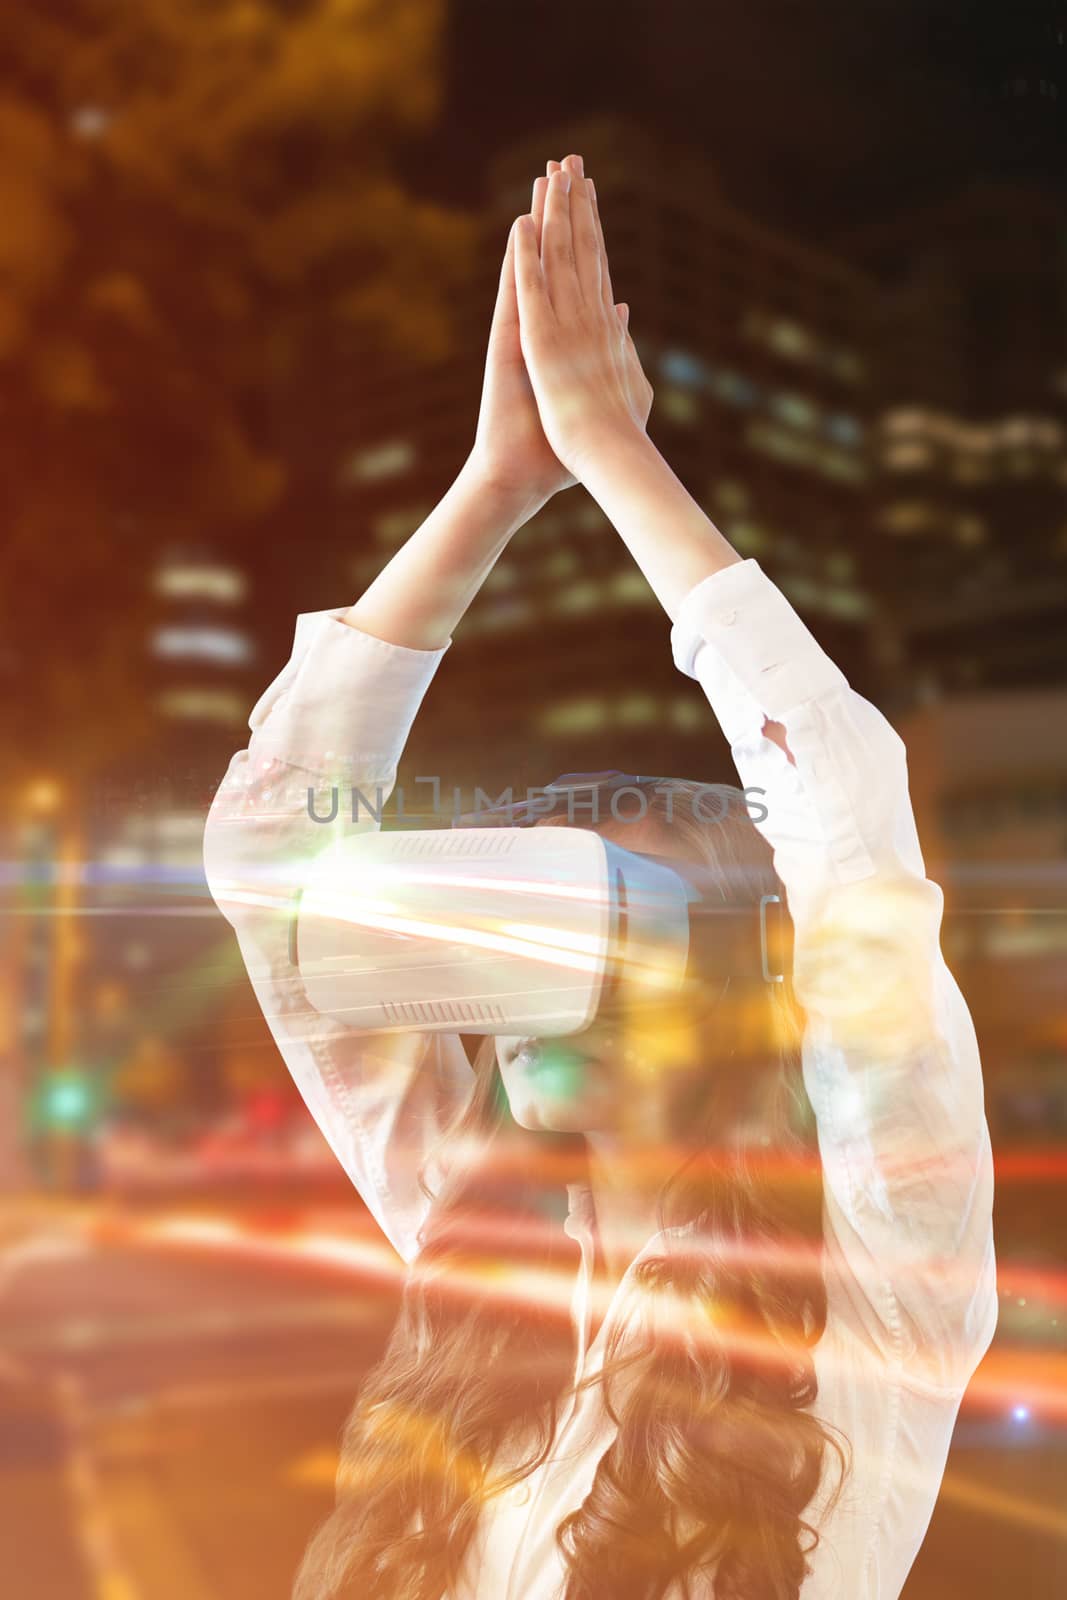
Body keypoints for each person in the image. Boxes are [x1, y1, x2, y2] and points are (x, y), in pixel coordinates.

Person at [202, 153, 997, 1600]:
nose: (527, 986)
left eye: (590, 919)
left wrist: (615, 456)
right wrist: (495, 488)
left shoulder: (877, 1293)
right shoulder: (484, 1259)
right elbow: (273, 861)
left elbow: (852, 825)